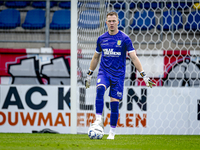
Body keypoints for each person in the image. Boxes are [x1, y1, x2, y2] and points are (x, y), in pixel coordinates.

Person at [85, 12, 155, 140]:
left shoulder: (124, 39)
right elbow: (96, 57)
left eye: (114, 21)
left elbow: (133, 57)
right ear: (106, 22)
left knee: (114, 105)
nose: (111, 23)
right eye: (109, 21)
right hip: (104, 72)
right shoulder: (101, 39)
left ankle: (112, 132)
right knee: (100, 88)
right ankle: (98, 120)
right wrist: (89, 74)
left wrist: (144, 75)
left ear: (118, 22)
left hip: (118, 76)